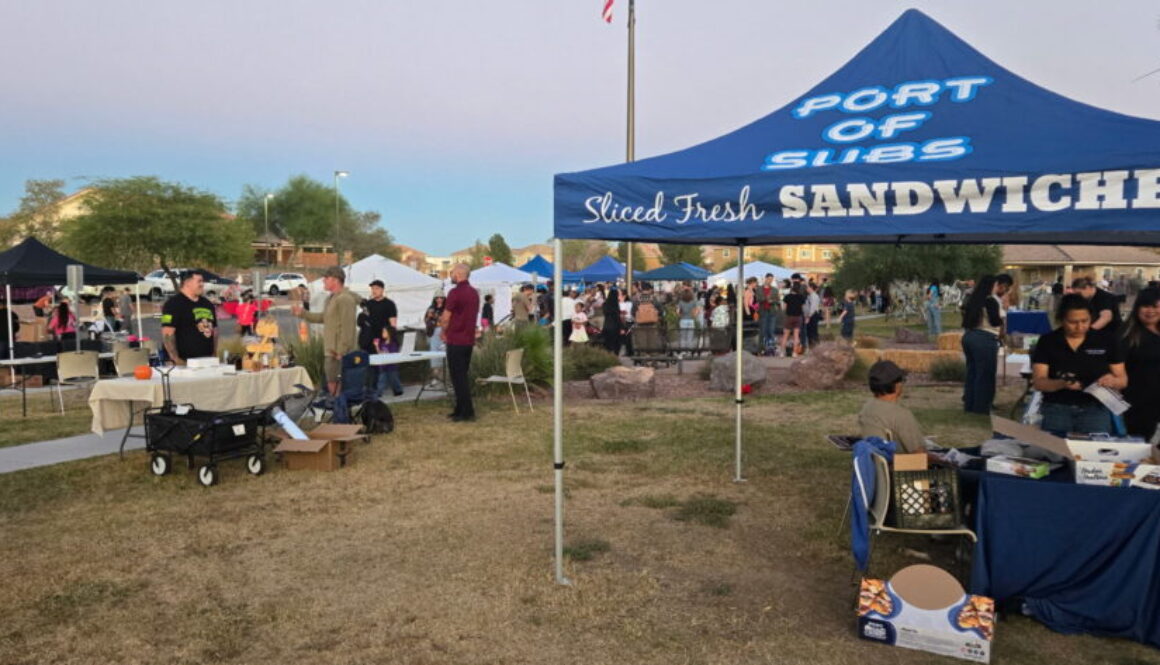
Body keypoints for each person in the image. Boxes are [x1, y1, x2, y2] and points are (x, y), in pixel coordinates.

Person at [1031, 294, 1126, 434]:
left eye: (1085, 321)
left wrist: (1112, 381)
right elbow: (1039, 382)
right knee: (1056, 452)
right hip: (1057, 407)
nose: (1079, 326)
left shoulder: (1106, 340)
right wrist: (1060, 383)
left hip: (1095, 408)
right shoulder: (1048, 341)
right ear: (1062, 320)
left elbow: (1122, 380)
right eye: (1072, 322)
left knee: (1092, 451)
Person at [292, 265, 359, 395]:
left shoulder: (345, 299)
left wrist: (342, 351)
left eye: (326, 278)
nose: (323, 281)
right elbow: (323, 317)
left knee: (336, 383)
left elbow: (348, 327)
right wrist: (302, 313)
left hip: (338, 352)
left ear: (335, 280)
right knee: (331, 381)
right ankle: (338, 408)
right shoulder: (331, 298)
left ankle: (339, 409)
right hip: (331, 350)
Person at [439, 263, 480, 422]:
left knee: (458, 377)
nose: (450, 275)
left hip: (456, 339)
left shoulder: (454, 293)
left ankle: (467, 412)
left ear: (458, 274)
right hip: (468, 340)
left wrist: (443, 331)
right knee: (461, 375)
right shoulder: (474, 293)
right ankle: (460, 408)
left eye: (452, 272)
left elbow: (446, 316)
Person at [858, 360, 927, 454]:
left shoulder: (867, 407)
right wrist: (943, 459)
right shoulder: (901, 415)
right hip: (898, 464)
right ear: (897, 386)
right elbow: (920, 455)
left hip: (875, 462)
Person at [1121, 287, 1160, 440]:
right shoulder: (1127, 334)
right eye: (1145, 306)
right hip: (1137, 404)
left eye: (1155, 306)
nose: (1150, 311)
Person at [961, 275, 1003, 414]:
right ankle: (981, 408)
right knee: (985, 375)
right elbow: (995, 321)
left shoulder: (974, 299)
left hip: (969, 336)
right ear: (991, 286)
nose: (997, 288)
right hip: (985, 337)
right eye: (996, 285)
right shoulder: (990, 301)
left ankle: (970, 405)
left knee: (972, 373)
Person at [161, 271, 217, 366]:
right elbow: (167, 333)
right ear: (187, 282)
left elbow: (215, 331)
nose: (202, 284)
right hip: (183, 362)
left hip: (207, 360)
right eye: (199, 281)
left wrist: (214, 353)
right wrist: (175, 359)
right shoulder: (172, 304)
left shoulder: (207, 304)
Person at [364, 279, 403, 397]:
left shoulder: (389, 304)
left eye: (376, 288)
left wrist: (391, 339)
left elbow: (393, 323)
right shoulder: (368, 304)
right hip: (371, 338)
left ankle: (393, 388)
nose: (374, 291)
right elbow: (364, 320)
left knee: (388, 365)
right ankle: (373, 387)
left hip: (385, 338)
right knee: (372, 364)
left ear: (382, 289)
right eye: (372, 289)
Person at [755, 273, 779, 353]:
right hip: (763, 311)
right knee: (763, 330)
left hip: (772, 311)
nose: (770, 281)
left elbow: (778, 300)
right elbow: (758, 299)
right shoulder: (759, 289)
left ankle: (771, 348)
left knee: (771, 331)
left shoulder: (775, 289)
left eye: (771, 280)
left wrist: (772, 301)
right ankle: (762, 348)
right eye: (769, 279)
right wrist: (766, 298)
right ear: (765, 279)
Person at [780, 283, 805, 357]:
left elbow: (784, 308)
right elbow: (803, 307)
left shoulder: (787, 296)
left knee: (785, 335)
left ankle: (782, 353)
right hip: (798, 317)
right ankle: (794, 353)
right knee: (796, 336)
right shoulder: (801, 297)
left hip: (789, 316)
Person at [675, 286, 700, 354]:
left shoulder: (681, 302)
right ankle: (689, 351)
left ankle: (683, 351)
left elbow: (677, 311)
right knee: (690, 336)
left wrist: (680, 315)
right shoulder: (693, 302)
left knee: (683, 337)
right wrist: (694, 315)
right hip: (691, 321)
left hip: (683, 320)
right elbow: (698, 310)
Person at [602, 286, 623, 354]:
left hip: (606, 325)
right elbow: (617, 316)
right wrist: (621, 326)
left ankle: (608, 356)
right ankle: (615, 356)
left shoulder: (605, 304)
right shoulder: (616, 305)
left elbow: (605, 313)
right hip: (615, 326)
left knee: (608, 343)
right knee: (616, 342)